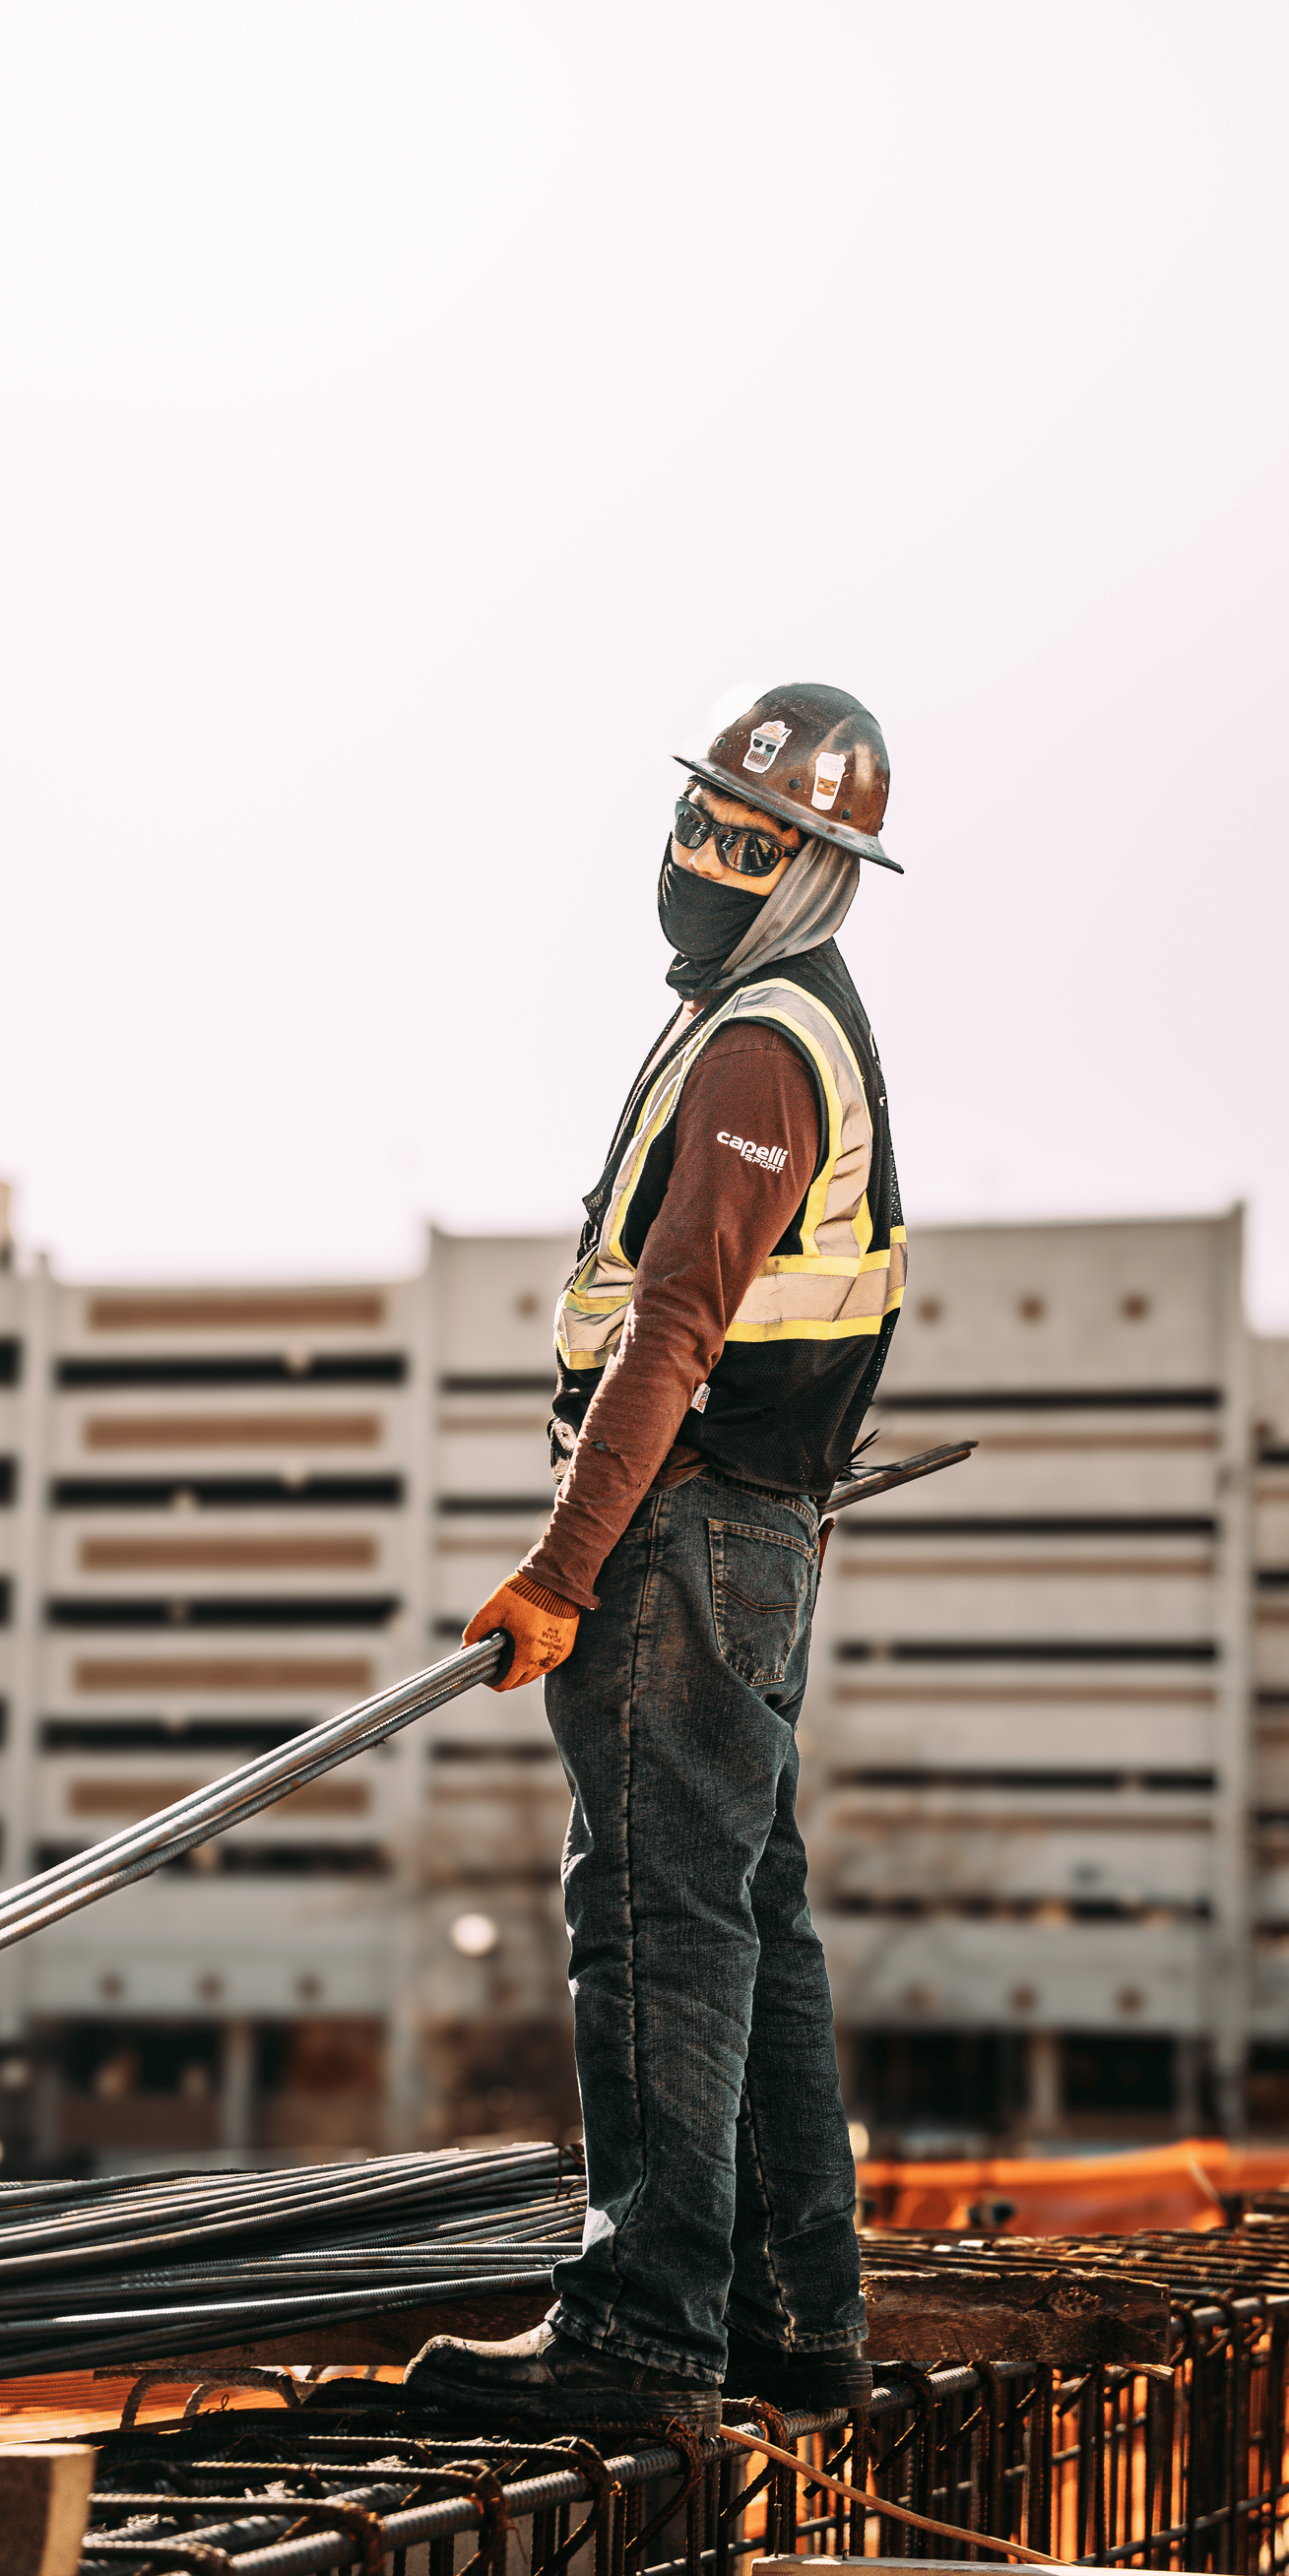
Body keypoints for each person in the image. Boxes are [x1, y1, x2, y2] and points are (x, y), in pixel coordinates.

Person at [406, 684, 905, 2433]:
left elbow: (677, 1323)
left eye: (746, 840)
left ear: (815, 873)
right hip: (739, 1534)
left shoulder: (765, 1044)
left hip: (685, 1533)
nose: (702, 856)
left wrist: (561, 1565)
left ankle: (641, 2327)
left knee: (652, 1919)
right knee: (749, 1913)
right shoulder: (757, 1027)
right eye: (698, 820)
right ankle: (795, 2320)